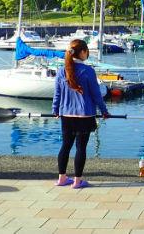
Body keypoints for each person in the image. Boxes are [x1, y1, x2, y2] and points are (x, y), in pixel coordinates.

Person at [52, 39, 110, 189]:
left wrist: (55, 109)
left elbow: (57, 94)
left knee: (65, 146)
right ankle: (77, 181)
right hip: (85, 115)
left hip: (66, 114)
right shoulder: (88, 71)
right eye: (87, 52)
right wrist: (104, 111)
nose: (87, 54)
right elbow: (96, 95)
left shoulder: (61, 71)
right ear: (83, 52)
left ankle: (62, 178)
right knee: (81, 148)